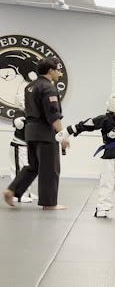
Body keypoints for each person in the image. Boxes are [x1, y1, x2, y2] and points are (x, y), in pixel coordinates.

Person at [4, 58, 69, 209]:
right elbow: (53, 114)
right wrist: (63, 135)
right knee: (50, 168)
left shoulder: (30, 86)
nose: (59, 73)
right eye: (58, 70)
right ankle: (49, 203)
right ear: (51, 71)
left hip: (30, 131)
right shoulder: (48, 88)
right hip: (45, 133)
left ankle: (12, 190)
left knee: (33, 166)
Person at [8, 116, 35, 203]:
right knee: (19, 170)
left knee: (28, 170)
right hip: (19, 146)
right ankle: (17, 195)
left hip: (27, 146)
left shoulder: (34, 113)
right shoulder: (22, 113)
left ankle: (26, 192)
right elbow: (18, 124)